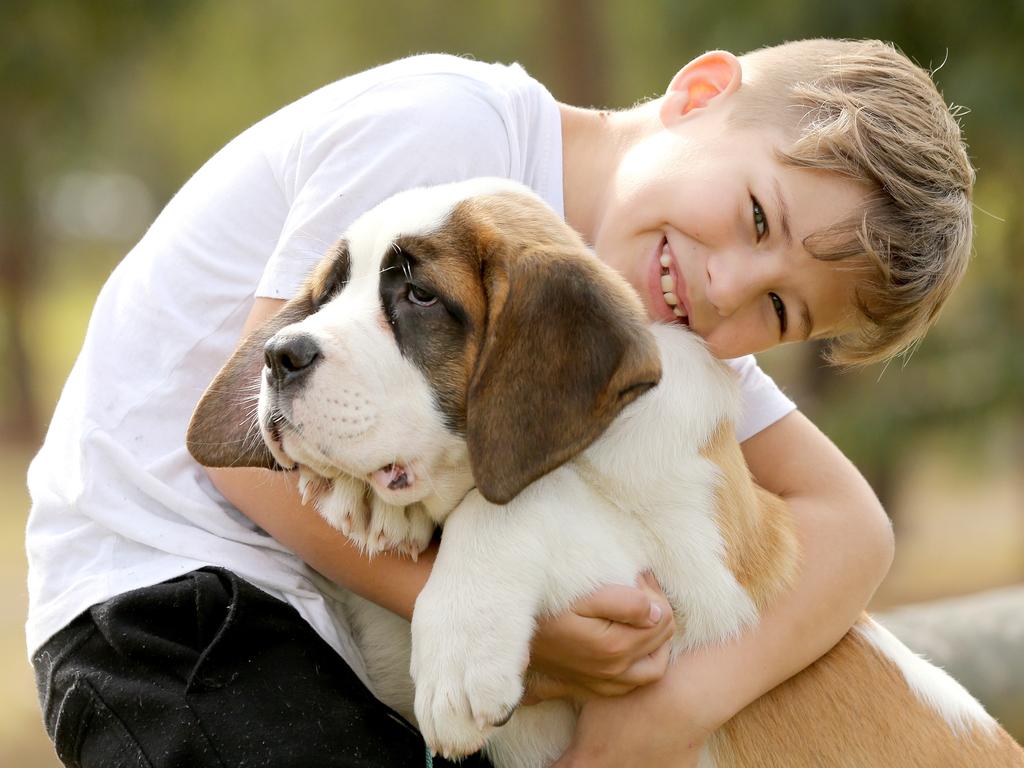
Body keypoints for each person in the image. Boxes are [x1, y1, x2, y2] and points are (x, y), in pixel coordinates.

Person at [27, 37, 973, 767]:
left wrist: (676, 708)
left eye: (780, 309)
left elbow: (855, 527)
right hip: (174, 595)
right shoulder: (452, 135)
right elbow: (258, 430)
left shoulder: (645, 319)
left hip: (334, 631)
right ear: (698, 94)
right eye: (759, 216)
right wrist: (488, 614)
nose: (728, 286)